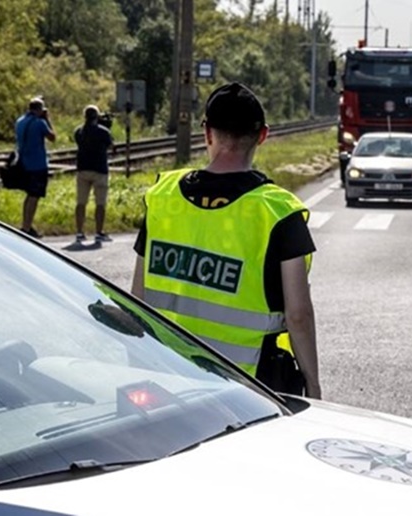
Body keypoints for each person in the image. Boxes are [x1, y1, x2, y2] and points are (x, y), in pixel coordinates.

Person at [130, 82, 321, 399]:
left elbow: (138, 297)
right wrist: (312, 384)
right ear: (262, 136)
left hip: (165, 376)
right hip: (247, 390)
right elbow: (299, 315)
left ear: (206, 134)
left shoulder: (162, 198)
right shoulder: (278, 213)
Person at [15, 97, 56, 238]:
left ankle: (26, 224)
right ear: (39, 109)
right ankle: (26, 228)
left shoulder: (20, 121)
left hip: (23, 164)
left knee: (29, 195)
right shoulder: (39, 123)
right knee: (34, 196)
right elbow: (52, 137)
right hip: (37, 164)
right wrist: (47, 119)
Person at [73, 104, 114, 242]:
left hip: (82, 169)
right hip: (100, 170)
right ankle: (99, 231)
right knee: (100, 203)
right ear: (97, 117)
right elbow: (110, 145)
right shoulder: (103, 132)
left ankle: (79, 231)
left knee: (81, 202)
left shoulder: (79, 131)